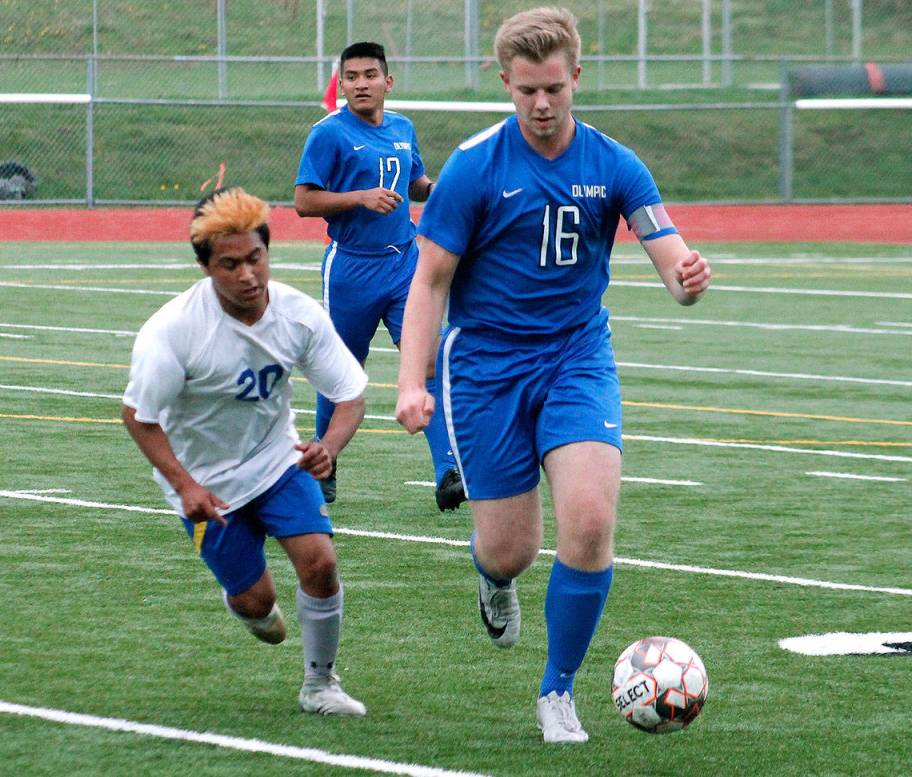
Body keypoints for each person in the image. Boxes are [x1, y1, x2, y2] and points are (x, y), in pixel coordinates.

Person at [394, 7, 712, 744]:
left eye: (554, 88)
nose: (541, 104)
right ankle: (492, 575)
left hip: (576, 358)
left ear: (577, 76)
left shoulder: (614, 164)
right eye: (527, 90)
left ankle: (557, 690)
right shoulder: (475, 166)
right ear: (505, 82)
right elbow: (429, 281)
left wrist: (688, 280)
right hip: (486, 369)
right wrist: (413, 381)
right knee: (511, 549)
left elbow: (670, 255)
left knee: (591, 524)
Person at [122, 186, 368, 716]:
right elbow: (139, 417)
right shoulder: (173, 331)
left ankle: (320, 685)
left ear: (268, 250)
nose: (248, 275)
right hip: (205, 486)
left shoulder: (298, 314)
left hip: (278, 461)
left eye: (255, 258)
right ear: (205, 268)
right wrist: (185, 485)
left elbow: (350, 395)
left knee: (320, 563)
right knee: (258, 604)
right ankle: (246, 601)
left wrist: (328, 447)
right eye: (229, 265)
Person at [294, 41, 464, 512]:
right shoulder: (328, 134)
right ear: (342, 85)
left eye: (370, 75)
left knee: (428, 361)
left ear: (388, 82)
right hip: (350, 268)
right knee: (341, 372)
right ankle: (324, 461)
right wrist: (359, 197)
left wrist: (442, 190)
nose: (361, 84)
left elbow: (414, 183)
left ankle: (448, 472)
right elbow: (304, 201)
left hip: (404, 264)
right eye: (351, 77)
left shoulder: (402, 127)